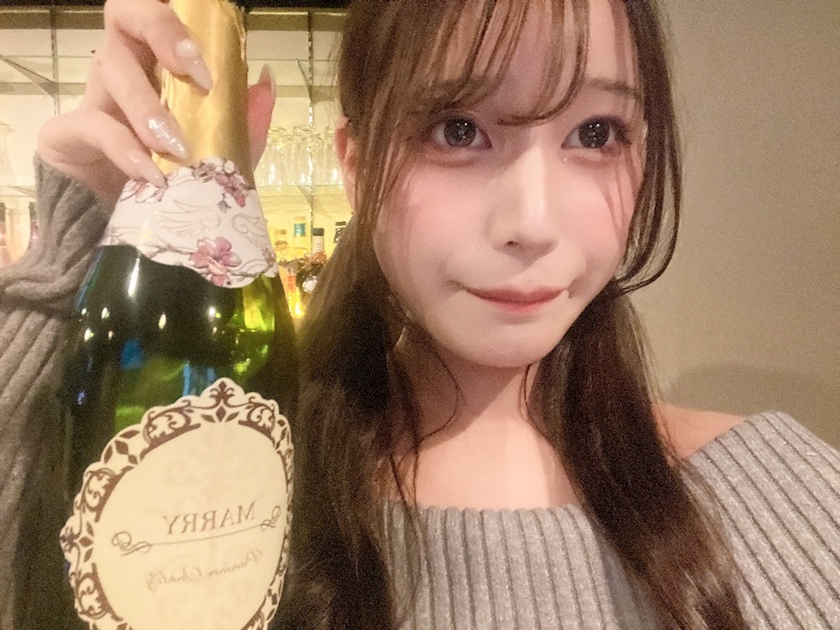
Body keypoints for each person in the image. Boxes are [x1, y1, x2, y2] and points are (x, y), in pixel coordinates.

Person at [0, 0, 838, 628]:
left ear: (642, 156)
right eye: (458, 129)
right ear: (357, 168)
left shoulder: (785, 495)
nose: (533, 224)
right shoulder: (224, 500)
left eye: (595, 133)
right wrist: (86, 239)